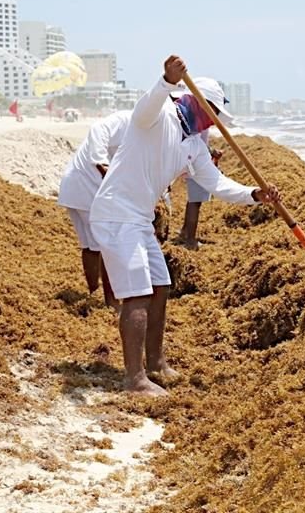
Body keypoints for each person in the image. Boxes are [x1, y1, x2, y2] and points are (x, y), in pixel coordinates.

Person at [89, 55, 281, 397]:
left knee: (161, 286)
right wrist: (166, 80)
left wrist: (255, 194)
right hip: (116, 213)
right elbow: (145, 108)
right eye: (212, 112)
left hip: (140, 218)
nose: (213, 121)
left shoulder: (194, 144)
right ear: (191, 100)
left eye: (217, 117)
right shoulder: (157, 117)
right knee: (137, 294)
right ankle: (134, 380)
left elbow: (216, 183)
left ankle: (156, 362)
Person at [57, 110, 131, 309]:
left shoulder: (146, 130)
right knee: (108, 244)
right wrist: (101, 164)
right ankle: (111, 303)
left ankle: (94, 293)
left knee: (91, 245)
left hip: (75, 184)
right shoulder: (129, 120)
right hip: (87, 184)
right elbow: (99, 128)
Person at [175, 132, 223, 250]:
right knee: (195, 202)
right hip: (196, 164)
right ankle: (190, 240)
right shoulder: (201, 120)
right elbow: (195, 140)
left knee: (193, 199)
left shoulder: (200, 119)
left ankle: (185, 231)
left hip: (194, 161)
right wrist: (212, 151)